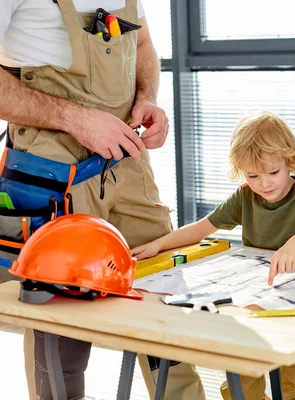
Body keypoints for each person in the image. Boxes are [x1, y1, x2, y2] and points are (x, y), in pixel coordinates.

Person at [0, 1, 205, 399]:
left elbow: (143, 47)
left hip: (127, 163)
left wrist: (147, 98)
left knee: (164, 299)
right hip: (54, 172)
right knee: (61, 320)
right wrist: (77, 119)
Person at [133, 111, 295, 400]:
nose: (264, 184)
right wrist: (159, 244)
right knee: (242, 374)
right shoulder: (245, 197)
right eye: (252, 175)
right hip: (254, 299)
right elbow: (201, 228)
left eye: (273, 172)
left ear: (290, 161)